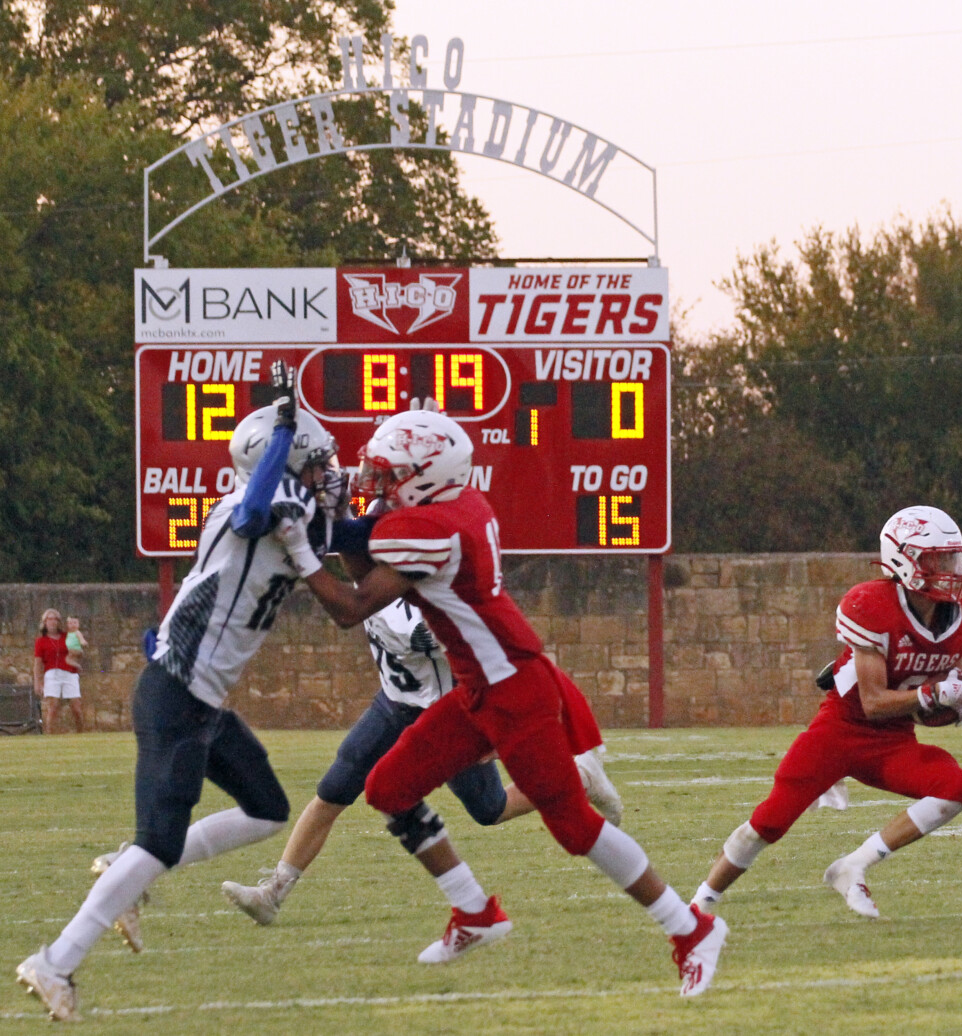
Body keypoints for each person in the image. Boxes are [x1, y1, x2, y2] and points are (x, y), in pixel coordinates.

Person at [293, 408, 727, 995]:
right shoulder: (459, 506)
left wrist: (297, 540)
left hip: (514, 693)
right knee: (389, 788)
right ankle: (474, 912)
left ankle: (690, 928)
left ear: (424, 477)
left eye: (389, 474)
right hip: (479, 689)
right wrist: (324, 521)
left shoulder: (432, 530)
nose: (378, 484)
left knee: (575, 827)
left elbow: (351, 606)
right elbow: (361, 544)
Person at [16, 366, 333, 1021]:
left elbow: (335, 529)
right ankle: (55, 961)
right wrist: (281, 430)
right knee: (157, 841)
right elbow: (255, 509)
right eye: (314, 461)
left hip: (203, 702)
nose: (324, 472)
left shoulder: (292, 511)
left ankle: (126, 866)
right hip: (176, 698)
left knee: (269, 808)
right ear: (281, 461)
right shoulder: (252, 508)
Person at [220, 593, 625, 925]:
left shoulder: (415, 604)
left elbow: (453, 635)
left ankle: (579, 777)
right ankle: (273, 893)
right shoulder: (381, 592)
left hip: (448, 713)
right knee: (332, 792)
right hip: (394, 705)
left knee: (489, 808)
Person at [691, 506, 962, 920]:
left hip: (892, 741)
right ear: (903, 559)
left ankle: (853, 866)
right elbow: (874, 702)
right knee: (769, 823)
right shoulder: (871, 604)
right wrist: (935, 692)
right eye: (936, 559)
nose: (949, 568)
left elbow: (918, 705)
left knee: (958, 787)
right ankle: (701, 901)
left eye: (952, 557)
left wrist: (950, 705)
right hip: (839, 732)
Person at [32, 609, 84, 735]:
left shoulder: (67, 637)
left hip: (69, 673)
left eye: (55, 619)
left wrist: (74, 655)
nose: (52, 622)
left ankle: (81, 734)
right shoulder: (41, 641)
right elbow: (38, 663)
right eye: (49, 619)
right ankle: (50, 735)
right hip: (52, 674)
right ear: (44, 622)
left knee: (76, 707)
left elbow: (79, 652)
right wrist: (38, 682)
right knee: (53, 707)